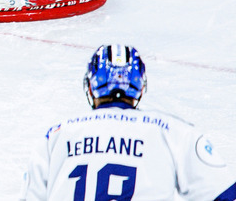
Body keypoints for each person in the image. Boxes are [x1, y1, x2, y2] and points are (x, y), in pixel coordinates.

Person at [21, 44, 236, 200]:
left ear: (90, 87)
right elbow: (223, 193)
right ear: (140, 87)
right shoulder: (172, 131)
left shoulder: (56, 134)